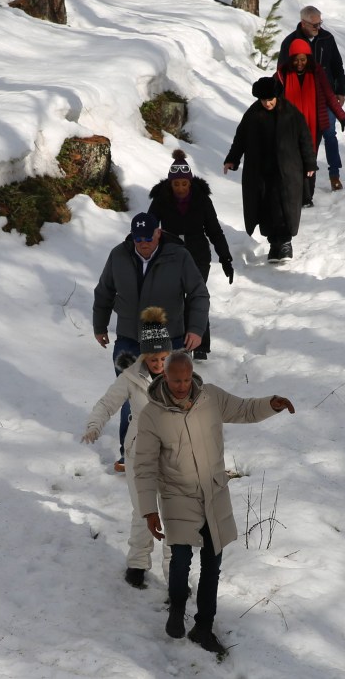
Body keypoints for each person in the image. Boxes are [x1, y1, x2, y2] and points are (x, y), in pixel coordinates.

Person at [133, 351, 296, 655]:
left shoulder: (211, 398)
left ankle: (203, 627)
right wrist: (149, 509)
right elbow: (143, 465)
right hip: (177, 494)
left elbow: (244, 409)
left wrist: (270, 404)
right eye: (175, 379)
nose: (181, 385)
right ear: (164, 377)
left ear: (191, 374)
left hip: (214, 493)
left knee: (213, 563)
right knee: (180, 561)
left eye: (185, 379)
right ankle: (176, 607)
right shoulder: (152, 415)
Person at [93, 211, 210, 471]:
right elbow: (104, 291)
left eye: (148, 237)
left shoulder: (178, 256)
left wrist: (196, 329)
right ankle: (131, 454)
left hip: (172, 339)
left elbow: (199, 294)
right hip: (130, 339)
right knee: (131, 394)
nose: (143, 243)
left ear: (158, 232)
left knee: (175, 394)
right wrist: (99, 325)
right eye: (138, 238)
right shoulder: (118, 256)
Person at [81, 307, 174, 588]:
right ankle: (136, 564)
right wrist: (94, 425)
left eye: (163, 358)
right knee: (144, 509)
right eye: (154, 359)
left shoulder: (181, 377)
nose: (159, 364)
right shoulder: (131, 378)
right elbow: (107, 404)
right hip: (140, 454)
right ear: (144, 356)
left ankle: (176, 577)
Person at [148, 149, 234, 362]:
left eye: (184, 184)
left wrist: (225, 258)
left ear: (190, 182)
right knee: (175, 299)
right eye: (176, 184)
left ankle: (201, 345)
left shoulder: (202, 200)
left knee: (197, 296)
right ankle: (179, 342)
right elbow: (148, 228)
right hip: (171, 254)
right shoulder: (161, 199)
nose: (180, 188)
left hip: (198, 254)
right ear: (170, 184)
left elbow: (214, 230)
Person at [223, 77, 316, 264]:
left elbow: (304, 138)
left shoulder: (291, 113)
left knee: (285, 206)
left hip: (287, 170)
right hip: (260, 171)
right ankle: (274, 244)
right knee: (264, 208)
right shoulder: (252, 114)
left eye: (270, 99)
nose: (267, 103)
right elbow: (240, 138)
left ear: (277, 96)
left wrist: (310, 163)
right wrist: (232, 159)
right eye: (263, 100)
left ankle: (285, 243)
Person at [277, 38, 345, 208]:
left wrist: (343, 118)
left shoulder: (317, 73)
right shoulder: (282, 75)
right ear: (290, 59)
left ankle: (307, 197)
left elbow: (329, 96)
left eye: (303, 60)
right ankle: (294, 194)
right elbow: (271, 96)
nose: (299, 63)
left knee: (309, 158)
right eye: (296, 60)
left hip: (314, 124)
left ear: (308, 59)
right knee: (293, 160)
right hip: (289, 125)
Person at [279, 5, 345, 193]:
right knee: (306, 140)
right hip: (301, 99)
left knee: (329, 135)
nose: (318, 28)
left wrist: (340, 91)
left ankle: (334, 174)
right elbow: (282, 73)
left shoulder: (326, 38)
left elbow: (337, 66)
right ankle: (305, 181)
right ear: (303, 23)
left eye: (320, 23)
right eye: (315, 25)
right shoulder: (291, 42)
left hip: (326, 97)